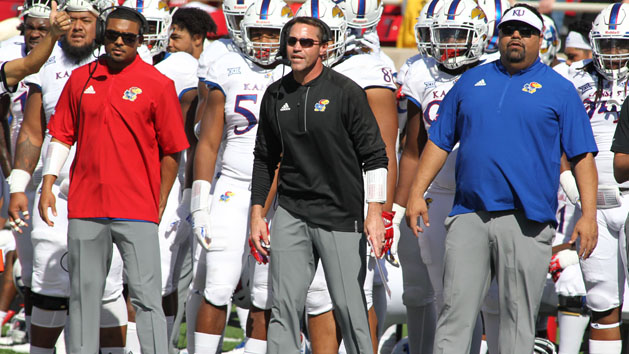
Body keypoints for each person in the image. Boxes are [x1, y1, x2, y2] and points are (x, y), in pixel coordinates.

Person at [405, 4, 599, 353]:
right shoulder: (470, 81)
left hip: (527, 220)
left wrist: (587, 215)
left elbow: (582, 156)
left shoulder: (560, 89)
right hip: (469, 214)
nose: (516, 37)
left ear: (540, 39)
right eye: (509, 30)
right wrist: (417, 192)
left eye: (525, 32)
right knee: (454, 314)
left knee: (516, 320)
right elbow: (438, 141)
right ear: (498, 35)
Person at [37, 6, 188, 353]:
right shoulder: (80, 78)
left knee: (147, 297)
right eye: (113, 35)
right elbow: (61, 134)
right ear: (103, 35)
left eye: (128, 37)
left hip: (136, 207)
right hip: (86, 204)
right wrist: (47, 183)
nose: (119, 42)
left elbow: (172, 150)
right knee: (83, 297)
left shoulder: (158, 84)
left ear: (141, 40)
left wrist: (161, 198)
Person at [250, 16, 388, 354]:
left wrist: (374, 212)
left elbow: (376, 157)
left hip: (341, 215)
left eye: (306, 42)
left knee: (349, 308)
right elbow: (265, 159)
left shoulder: (346, 92)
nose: (297, 48)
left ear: (324, 48)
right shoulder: (275, 94)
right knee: (283, 308)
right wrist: (257, 214)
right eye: (292, 41)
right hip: (292, 213)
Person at [190, 0, 292, 352]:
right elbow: (208, 142)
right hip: (234, 184)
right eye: (257, 33)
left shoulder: (298, 71)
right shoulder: (227, 64)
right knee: (217, 284)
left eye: (272, 34)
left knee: (265, 293)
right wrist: (199, 203)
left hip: (282, 194)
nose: (264, 41)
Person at [563, 4, 629, 353]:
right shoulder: (576, 76)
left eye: (622, 44)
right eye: (607, 43)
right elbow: (555, 131)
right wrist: (567, 180)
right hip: (593, 203)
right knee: (602, 304)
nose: (614, 53)